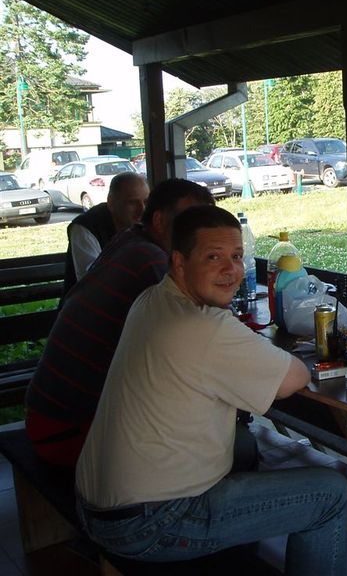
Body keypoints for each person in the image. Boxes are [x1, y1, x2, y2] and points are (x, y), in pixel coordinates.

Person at [75, 205, 347, 574]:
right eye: (213, 257)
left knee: (244, 445)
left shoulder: (152, 299)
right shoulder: (202, 325)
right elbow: (295, 379)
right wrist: (254, 347)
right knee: (331, 494)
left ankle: (236, 552)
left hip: (98, 504)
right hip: (150, 522)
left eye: (236, 256)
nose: (231, 269)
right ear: (179, 261)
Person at [25, 179, 214, 467]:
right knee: (229, 446)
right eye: (192, 222)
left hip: (48, 417)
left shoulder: (130, 240)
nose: (201, 232)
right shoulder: (149, 260)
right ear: (160, 221)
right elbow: (200, 337)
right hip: (69, 430)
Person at [63, 171, 150, 294]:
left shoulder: (147, 225)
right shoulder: (86, 227)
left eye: (146, 202)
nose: (142, 209)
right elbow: (92, 283)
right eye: (132, 202)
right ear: (111, 203)